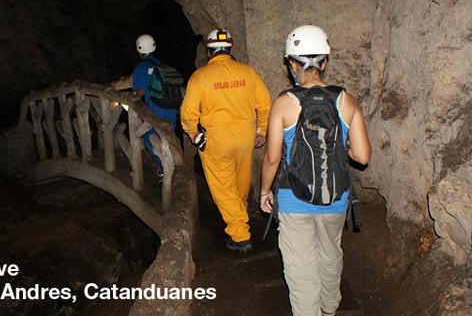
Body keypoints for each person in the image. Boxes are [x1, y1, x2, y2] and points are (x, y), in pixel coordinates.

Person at [260, 25, 371, 316]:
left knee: (300, 265)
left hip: (293, 198)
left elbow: (272, 158)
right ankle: (330, 306)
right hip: (336, 196)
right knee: (330, 252)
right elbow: (361, 156)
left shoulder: (284, 104)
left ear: (292, 64)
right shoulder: (346, 101)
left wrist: (263, 191)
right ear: (325, 62)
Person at [181, 28, 271, 253]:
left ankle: (240, 234)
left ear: (209, 51)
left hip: (217, 140)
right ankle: (239, 214)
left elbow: (188, 112)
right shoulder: (247, 72)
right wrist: (262, 130)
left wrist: (193, 134)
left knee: (222, 186)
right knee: (240, 181)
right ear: (229, 48)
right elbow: (264, 104)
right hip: (245, 137)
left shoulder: (200, 77)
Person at [132, 34, 179, 176]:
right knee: (169, 138)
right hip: (171, 106)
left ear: (139, 50)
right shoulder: (161, 63)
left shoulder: (140, 68)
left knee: (150, 139)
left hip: (155, 108)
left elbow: (139, 92)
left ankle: (164, 171)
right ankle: (176, 166)